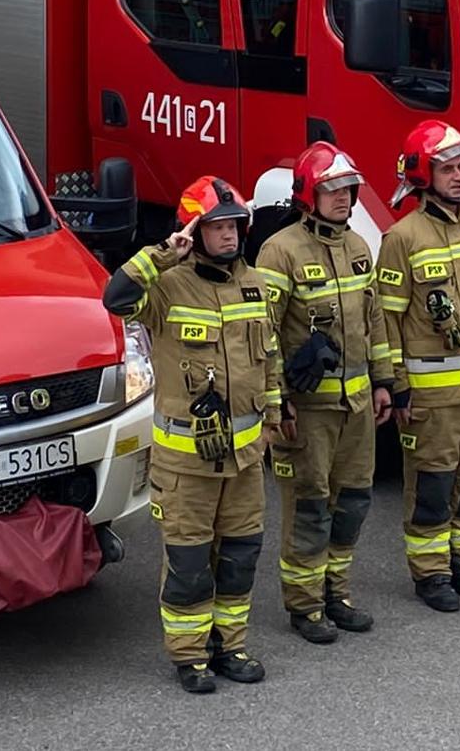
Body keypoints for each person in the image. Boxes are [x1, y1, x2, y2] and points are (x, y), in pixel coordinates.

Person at [102, 176, 282, 694]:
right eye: (216, 226)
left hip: (246, 458)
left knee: (241, 555)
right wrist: (163, 252)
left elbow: (268, 362)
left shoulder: (257, 285)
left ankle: (232, 645)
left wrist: (271, 422)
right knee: (189, 564)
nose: (228, 236)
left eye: (234, 225)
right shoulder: (167, 289)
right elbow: (115, 299)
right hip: (186, 465)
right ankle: (190, 656)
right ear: (194, 231)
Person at [254, 143, 395, 643]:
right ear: (309, 194)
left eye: (348, 188)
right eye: (332, 188)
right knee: (310, 505)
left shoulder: (358, 246)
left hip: (356, 407)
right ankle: (306, 605)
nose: (343, 197)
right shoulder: (281, 250)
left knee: (352, 502)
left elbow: (374, 320)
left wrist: (383, 383)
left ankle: (338, 592)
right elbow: (263, 333)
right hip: (308, 412)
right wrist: (278, 399)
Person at [375, 121, 460, 612]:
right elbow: (386, 319)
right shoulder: (402, 238)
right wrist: (399, 387)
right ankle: (430, 574)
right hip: (432, 397)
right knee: (432, 484)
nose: (458, 177)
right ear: (423, 175)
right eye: (447, 168)